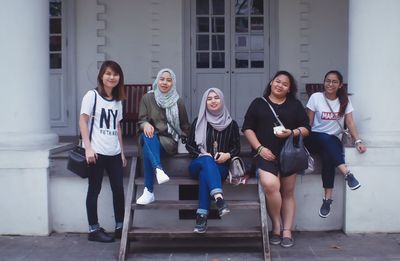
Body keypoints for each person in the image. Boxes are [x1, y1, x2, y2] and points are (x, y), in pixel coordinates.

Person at [242, 71, 310, 248]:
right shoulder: (258, 103)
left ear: (289, 89)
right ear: (271, 83)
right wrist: (259, 148)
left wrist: (292, 132)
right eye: (277, 81)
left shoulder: (295, 105)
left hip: (289, 155)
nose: (280, 85)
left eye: (285, 84)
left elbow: (306, 129)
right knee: (271, 186)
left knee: (288, 193)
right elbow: (247, 129)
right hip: (265, 155)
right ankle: (276, 226)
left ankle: (287, 231)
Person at [305, 70, 367, 218]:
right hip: (313, 138)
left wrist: (358, 141)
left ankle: (327, 199)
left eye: (334, 82)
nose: (330, 84)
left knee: (328, 156)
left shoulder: (344, 101)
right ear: (324, 82)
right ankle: (347, 173)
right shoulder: (316, 97)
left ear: (340, 85)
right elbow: (308, 123)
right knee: (326, 138)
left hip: (332, 141)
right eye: (327, 80)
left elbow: (350, 122)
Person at [79, 60, 127, 243]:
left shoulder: (118, 100)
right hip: (96, 152)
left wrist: (122, 152)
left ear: (119, 78)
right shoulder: (92, 96)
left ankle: (120, 227)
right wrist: (88, 148)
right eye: (108, 73)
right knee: (94, 189)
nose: (111, 77)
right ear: (101, 75)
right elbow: (82, 121)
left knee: (118, 190)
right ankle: (93, 229)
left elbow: (118, 127)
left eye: (115, 74)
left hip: (113, 152)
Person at [186, 88, 240, 233]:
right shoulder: (199, 121)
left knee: (206, 175)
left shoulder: (231, 124)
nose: (213, 101)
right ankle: (219, 199)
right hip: (197, 165)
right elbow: (189, 145)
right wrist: (203, 154)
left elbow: (237, 147)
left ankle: (201, 217)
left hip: (220, 167)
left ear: (222, 100)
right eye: (209, 99)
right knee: (206, 162)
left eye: (216, 98)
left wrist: (227, 155)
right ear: (205, 102)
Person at [136, 68, 190, 205]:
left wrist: (186, 138)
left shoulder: (178, 101)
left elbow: (185, 126)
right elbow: (141, 120)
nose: (164, 82)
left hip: (168, 141)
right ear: (157, 80)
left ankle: (149, 191)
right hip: (148, 136)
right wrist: (146, 125)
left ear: (173, 83)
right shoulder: (147, 98)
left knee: (148, 149)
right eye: (162, 79)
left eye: (169, 80)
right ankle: (158, 169)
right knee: (148, 135)